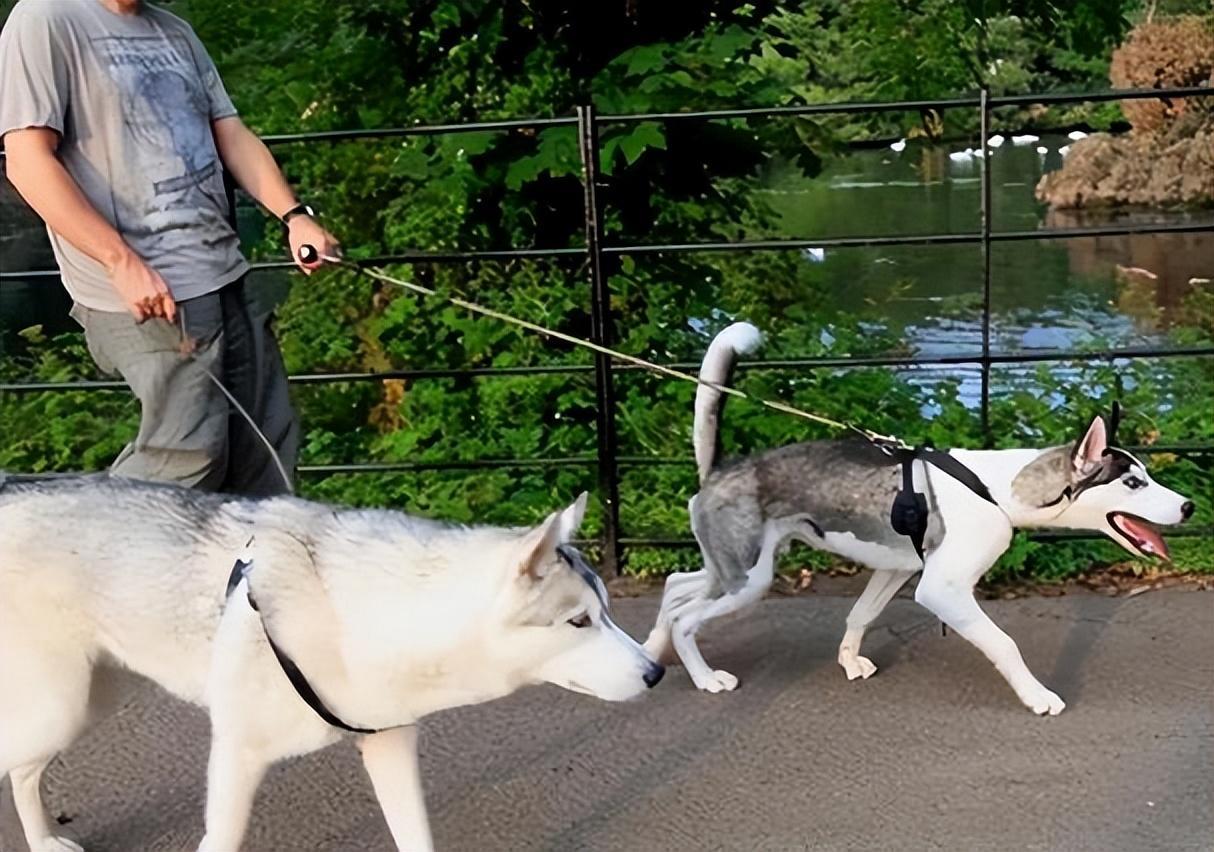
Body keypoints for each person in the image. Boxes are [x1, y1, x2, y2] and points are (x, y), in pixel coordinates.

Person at [0, 0, 340, 495]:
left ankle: (247, 552)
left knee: (265, 454)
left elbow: (231, 133)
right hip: (144, 289)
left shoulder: (174, 31)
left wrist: (294, 216)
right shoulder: (45, 18)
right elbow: (28, 162)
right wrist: (120, 260)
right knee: (185, 460)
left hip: (223, 270)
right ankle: (66, 537)